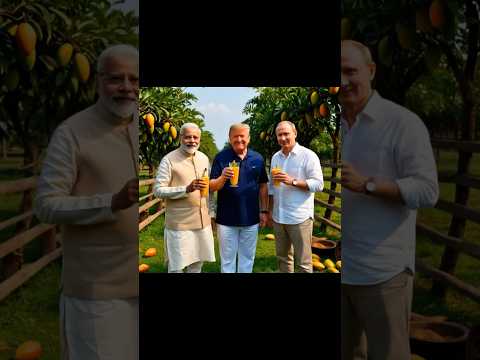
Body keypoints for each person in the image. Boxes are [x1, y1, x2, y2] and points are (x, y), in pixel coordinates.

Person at [34, 44, 139, 360]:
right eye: (116, 79)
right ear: (98, 81)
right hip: (97, 296)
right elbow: (46, 205)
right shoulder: (71, 133)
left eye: (134, 80)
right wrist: (111, 202)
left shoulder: (140, 126)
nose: (126, 88)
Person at [339, 40, 439, 360]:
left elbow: (427, 191)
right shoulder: (340, 123)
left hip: (383, 272)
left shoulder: (402, 123)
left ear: (371, 71)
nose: (342, 81)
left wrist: (369, 185)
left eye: (350, 71)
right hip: (345, 265)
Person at [153, 122, 215, 273]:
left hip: (202, 222)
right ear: (180, 138)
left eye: (195, 137)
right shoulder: (169, 160)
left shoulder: (204, 158)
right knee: (176, 267)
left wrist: (212, 212)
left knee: (197, 265)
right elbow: (158, 190)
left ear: (199, 139)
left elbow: (209, 189)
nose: (192, 140)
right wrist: (186, 189)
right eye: (188, 137)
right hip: (179, 225)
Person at [209, 123, 269, 273]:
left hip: (251, 218)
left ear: (248, 138)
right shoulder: (221, 157)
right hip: (226, 219)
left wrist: (264, 211)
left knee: (247, 259)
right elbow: (211, 186)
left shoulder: (257, 158)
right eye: (235, 136)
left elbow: (263, 186)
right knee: (227, 260)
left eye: (242, 136)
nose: (239, 139)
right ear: (230, 138)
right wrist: (223, 178)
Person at [268, 121, 324, 273]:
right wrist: (270, 212)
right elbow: (272, 187)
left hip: (299, 217)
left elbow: (319, 184)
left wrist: (292, 181)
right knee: (283, 259)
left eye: (286, 133)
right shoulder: (276, 157)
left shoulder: (308, 156)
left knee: (304, 263)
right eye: (279, 135)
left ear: (295, 133)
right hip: (279, 217)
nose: (283, 137)